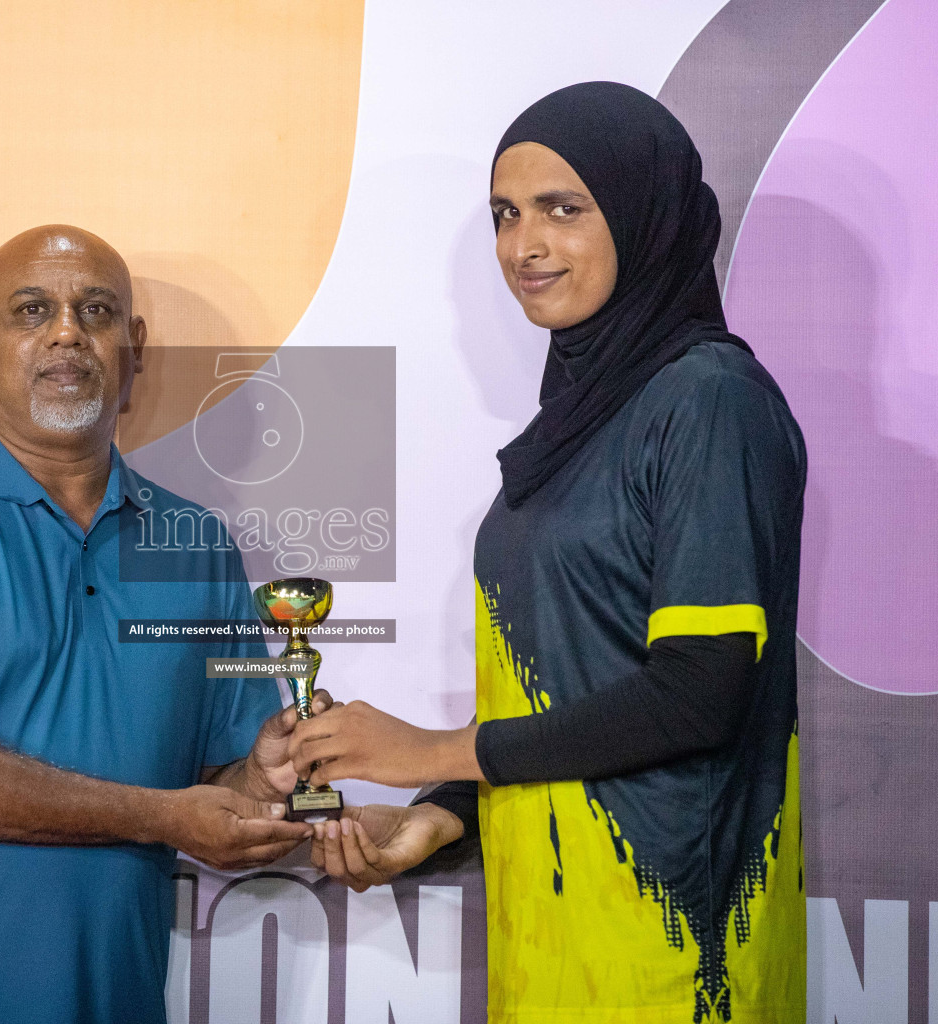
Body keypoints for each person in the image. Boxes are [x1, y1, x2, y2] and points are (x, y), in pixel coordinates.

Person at [287, 83, 807, 1022]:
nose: (523, 246)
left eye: (563, 209)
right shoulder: (576, 423)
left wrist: (428, 748)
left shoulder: (711, 399)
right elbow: (569, 696)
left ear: (646, 217)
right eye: (505, 214)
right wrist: (439, 812)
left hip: (672, 961)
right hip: (547, 948)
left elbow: (700, 693)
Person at [0, 225, 318, 1024]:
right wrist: (161, 815)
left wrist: (262, 784)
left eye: (96, 310)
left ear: (134, 347)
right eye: (31, 310)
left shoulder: (193, 545)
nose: (66, 332)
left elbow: (220, 784)